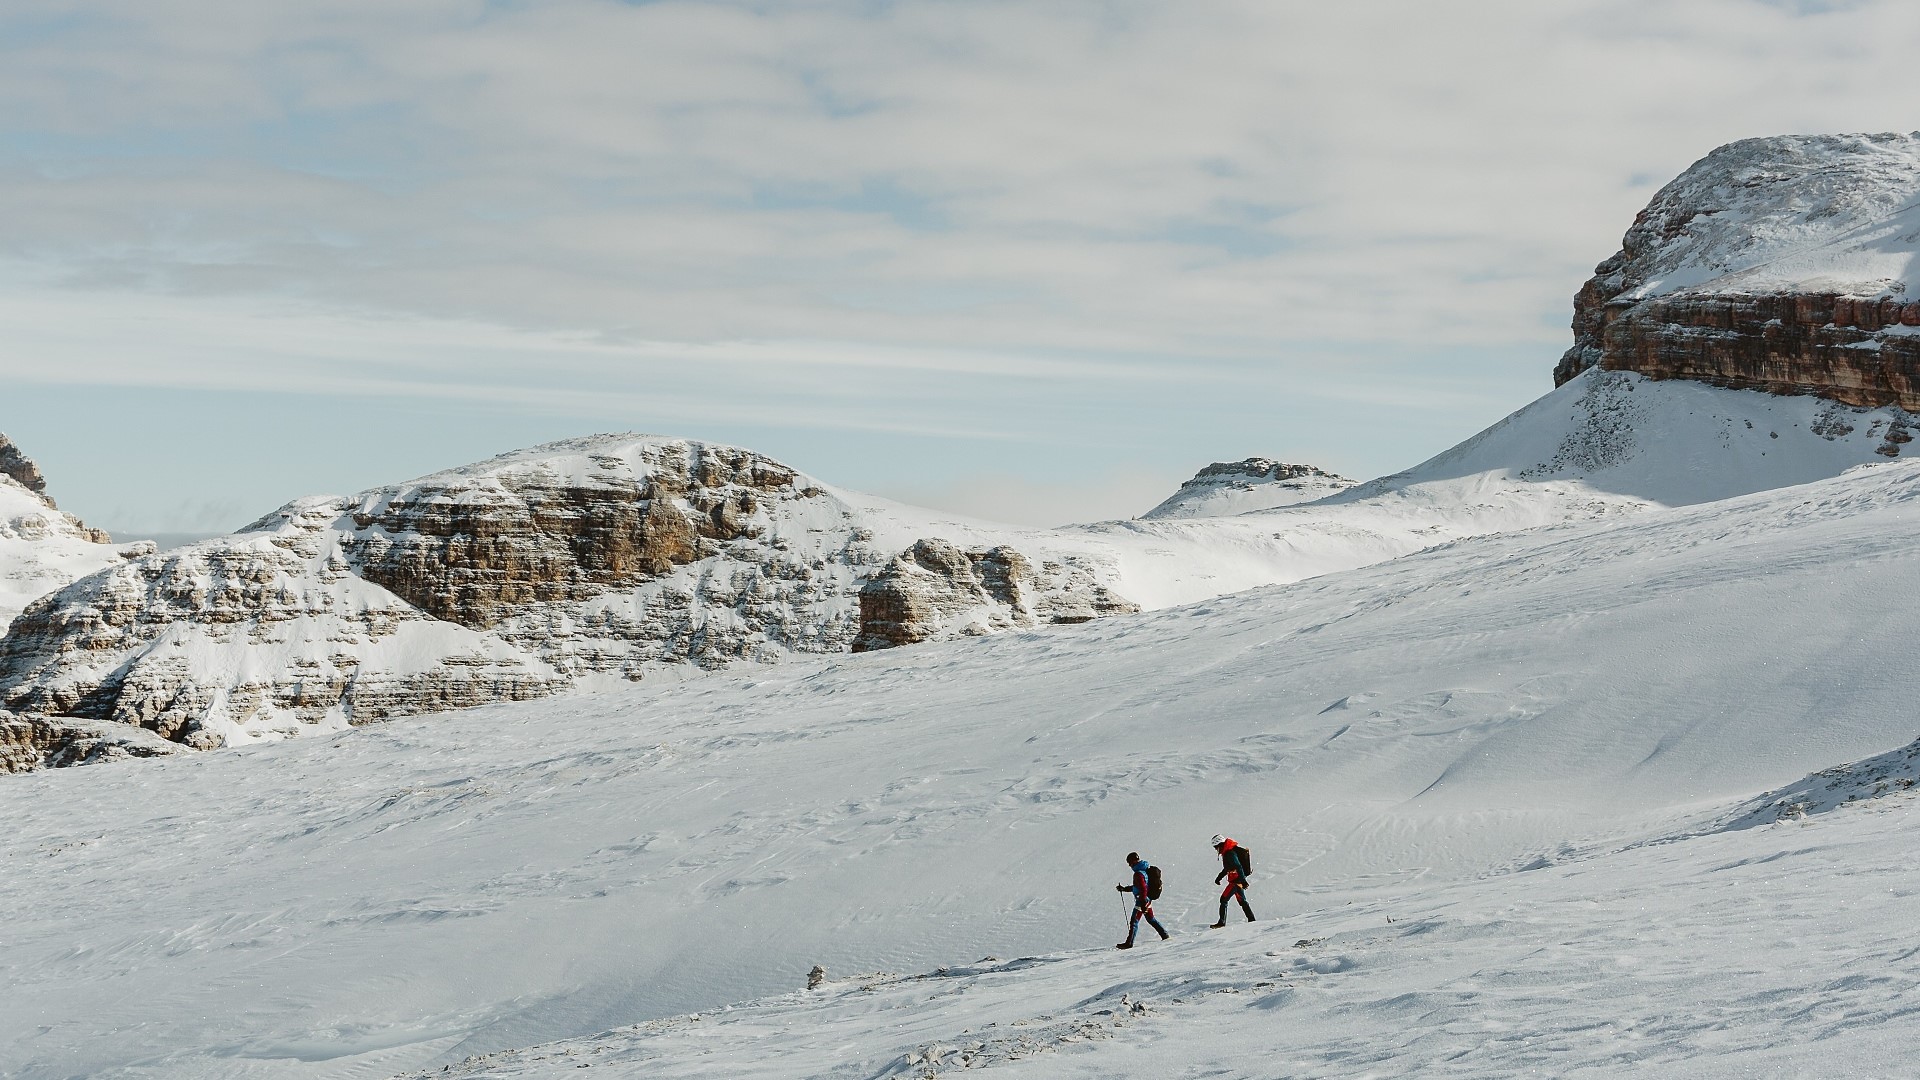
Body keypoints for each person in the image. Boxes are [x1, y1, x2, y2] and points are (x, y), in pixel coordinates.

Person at [1114, 851, 1168, 949]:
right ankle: (1165, 935)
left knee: (1134, 921)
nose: (1129, 865)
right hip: (1147, 899)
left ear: (1133, 861)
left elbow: (1143, 889)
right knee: (1151, 919)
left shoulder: (1138, 874)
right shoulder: (1144, 870)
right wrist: (1124, 889)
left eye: (1129, 863)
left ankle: (1129, 943)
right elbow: (1138, 887)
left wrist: (1143, 903)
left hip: (1142, 900)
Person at [1210, 833, 1255, 928]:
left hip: (1235, 882)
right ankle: (1252, 920)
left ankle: (1221, 923)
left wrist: (1243, 881)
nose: (1215, 849)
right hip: (1237, 880)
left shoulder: (1229, 853)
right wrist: (1219, 877)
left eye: (1215, 847)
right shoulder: (1227, 852)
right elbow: (1228, 868)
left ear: (1219, 845)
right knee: (1242, 901)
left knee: (1223, 899)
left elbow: (1238, 866)